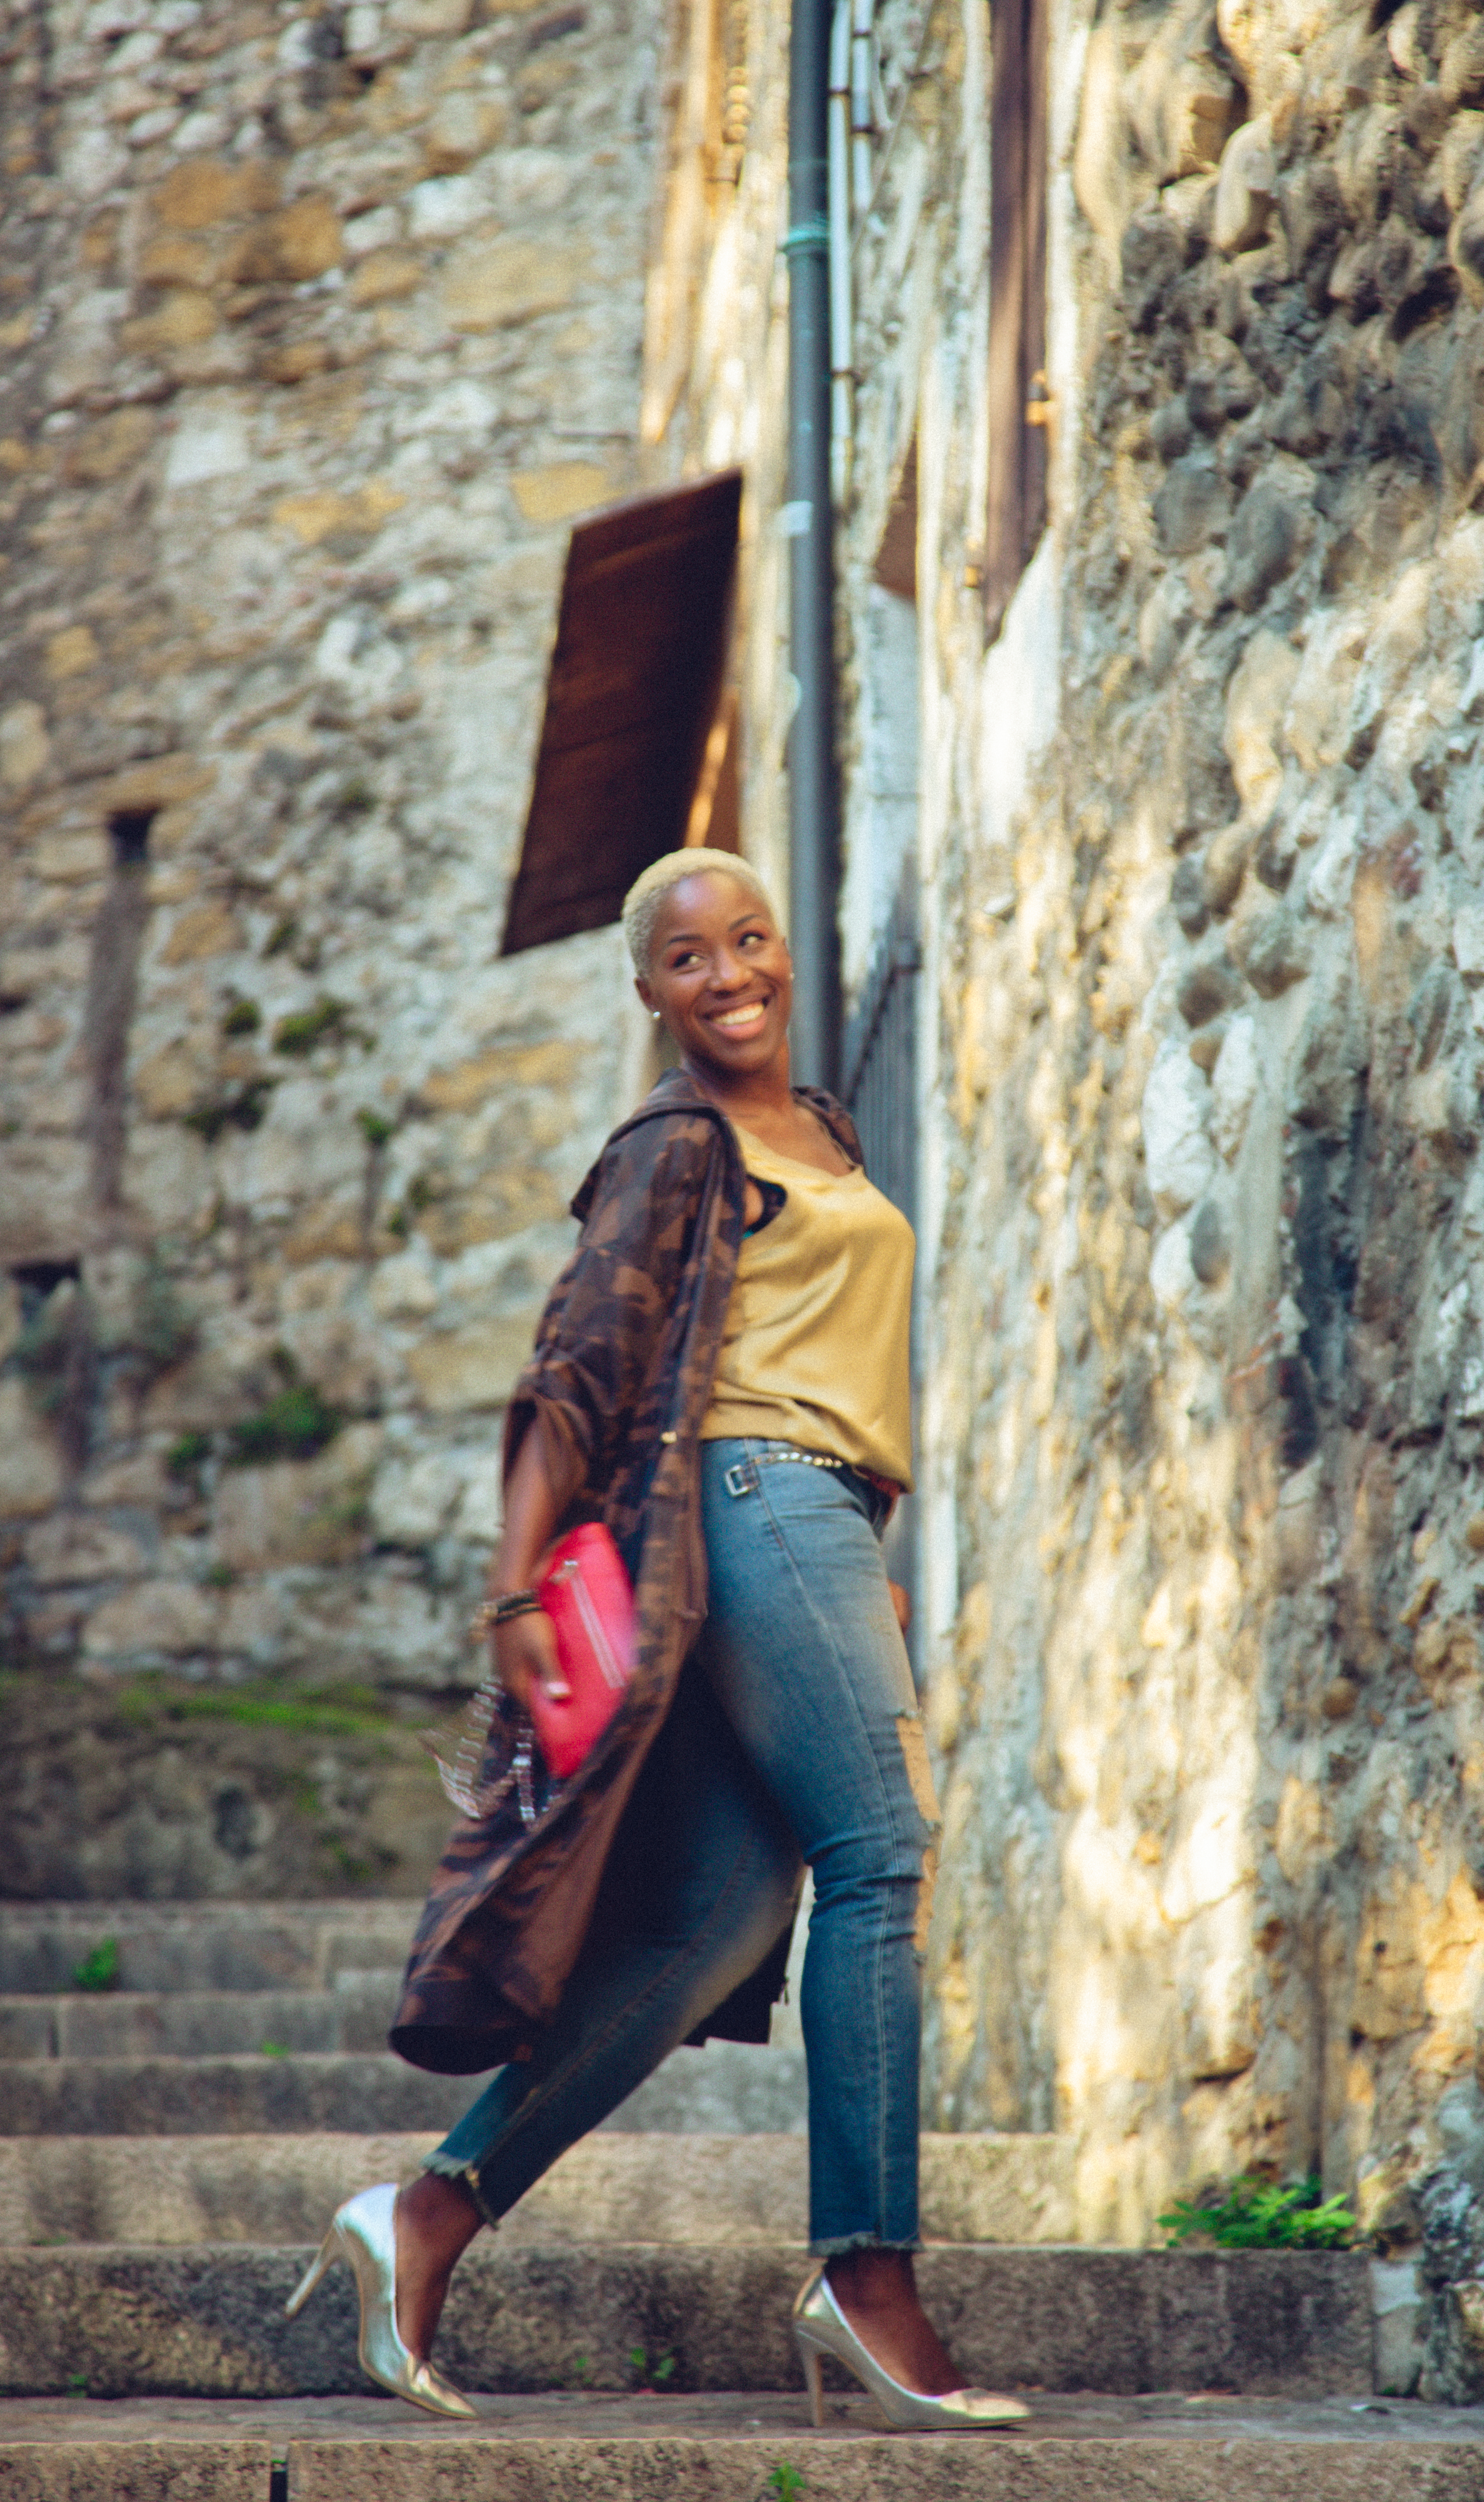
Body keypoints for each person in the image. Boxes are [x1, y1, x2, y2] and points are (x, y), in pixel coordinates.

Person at [284, 848, 1027, 2432]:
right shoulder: (671, 1144)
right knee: (879, 1852)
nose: (730, 972)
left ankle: (426, 2213)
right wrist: (510, 1592)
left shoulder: (818, 1128)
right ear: (649, 992)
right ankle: (866, 2267)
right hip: (747, 1501)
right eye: (688, 958)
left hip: (814, 1528)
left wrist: (854, 1552)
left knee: (720, 1918)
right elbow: (570, 1372)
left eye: (750, 938)